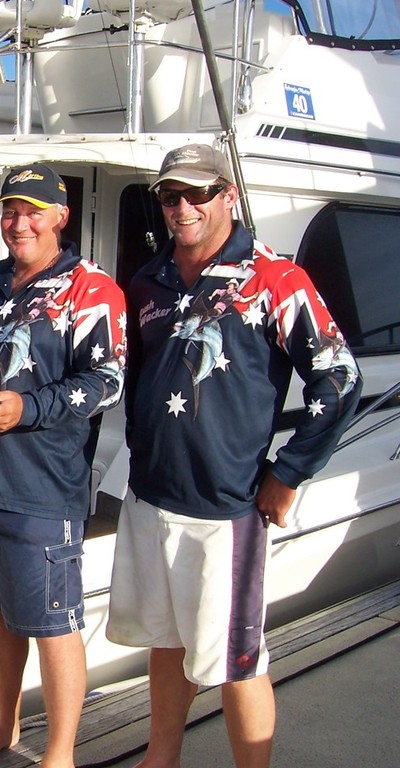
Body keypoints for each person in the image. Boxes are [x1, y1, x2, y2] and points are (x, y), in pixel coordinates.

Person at [106, 144, 362, 768]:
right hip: (150, 499)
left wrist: (289, 470)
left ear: (229, 196)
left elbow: (339, 378)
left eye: (198, 193)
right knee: (166, 643)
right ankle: (159, 758)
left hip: (226, 510)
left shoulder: (275, 279)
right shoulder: (147, 280)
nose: (183, 207)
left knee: (237, 661)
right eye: (171, 196)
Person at [0, 163, 127, 768]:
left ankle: (60, 753)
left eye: (34, 210)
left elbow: (107, 381)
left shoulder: (91, 288)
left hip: (41, 488)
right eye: (10, 209)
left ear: (61, 216)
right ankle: (3, 726)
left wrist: (26, 408)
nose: (19, 221)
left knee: (54, 626)